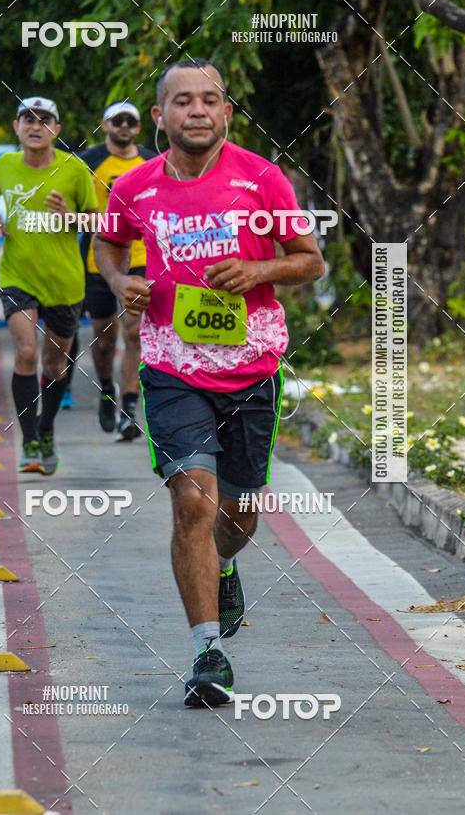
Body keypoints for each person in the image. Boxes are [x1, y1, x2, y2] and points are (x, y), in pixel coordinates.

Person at [93, 59, 325, 707]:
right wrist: (119, 282)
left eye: (210, 100)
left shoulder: (260, 178)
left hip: (250, 367)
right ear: (161, 115)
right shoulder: (134, 187)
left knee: (240, 513)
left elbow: (310, 260)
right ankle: (207, 653)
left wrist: (258, 272)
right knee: (193, 501)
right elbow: (109, 244)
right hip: (170, 365)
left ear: (226, 113)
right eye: (182, 101)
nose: (197, 110)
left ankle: (224, 564)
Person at [0, 96, 99, 474]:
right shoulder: (6, 165)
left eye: (44, 120)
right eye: (27, 118)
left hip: (64, 282)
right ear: (16, 127)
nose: (35, 125)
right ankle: (28, 441)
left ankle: (46, 429)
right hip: (18, 276)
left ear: (56, 130)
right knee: (26, 352)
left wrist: (70, 215)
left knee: (55, 363)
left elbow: (96, 223)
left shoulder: (74, 170)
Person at [62, 101, 156, 440]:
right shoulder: (89, 163)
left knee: (134, 331)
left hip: (145, 255)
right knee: (104, 339)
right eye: (118, 121)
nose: (125, 126)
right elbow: (72, 210)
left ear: (139, 127)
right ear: (105, 125)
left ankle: (130, 407)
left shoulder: (153, 161)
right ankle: (106, 388)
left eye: (131, 121)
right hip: (99, 258)